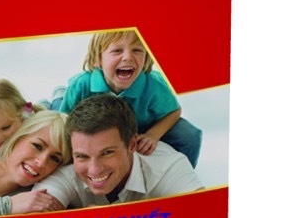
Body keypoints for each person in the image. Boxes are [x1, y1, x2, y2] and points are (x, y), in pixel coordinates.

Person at [61, 29, 203, 167]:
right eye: (117, 51)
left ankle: (183, 173)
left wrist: (153, 134)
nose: (128, 57)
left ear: (146, 57)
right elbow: (64, 118)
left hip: (143, 124)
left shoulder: (154, 87)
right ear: (98, 59)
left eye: (137, 50)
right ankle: (59, 94)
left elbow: (174, 111)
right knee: (58, 124)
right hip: (102, 125)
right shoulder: (82, 84)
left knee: (189, 135)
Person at [38, 94, 203, 207]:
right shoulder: (65, 170)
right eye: (82, 156)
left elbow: (206, 214)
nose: (94, 169)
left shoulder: (168, 165)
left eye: (107, 153)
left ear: (132, 145)